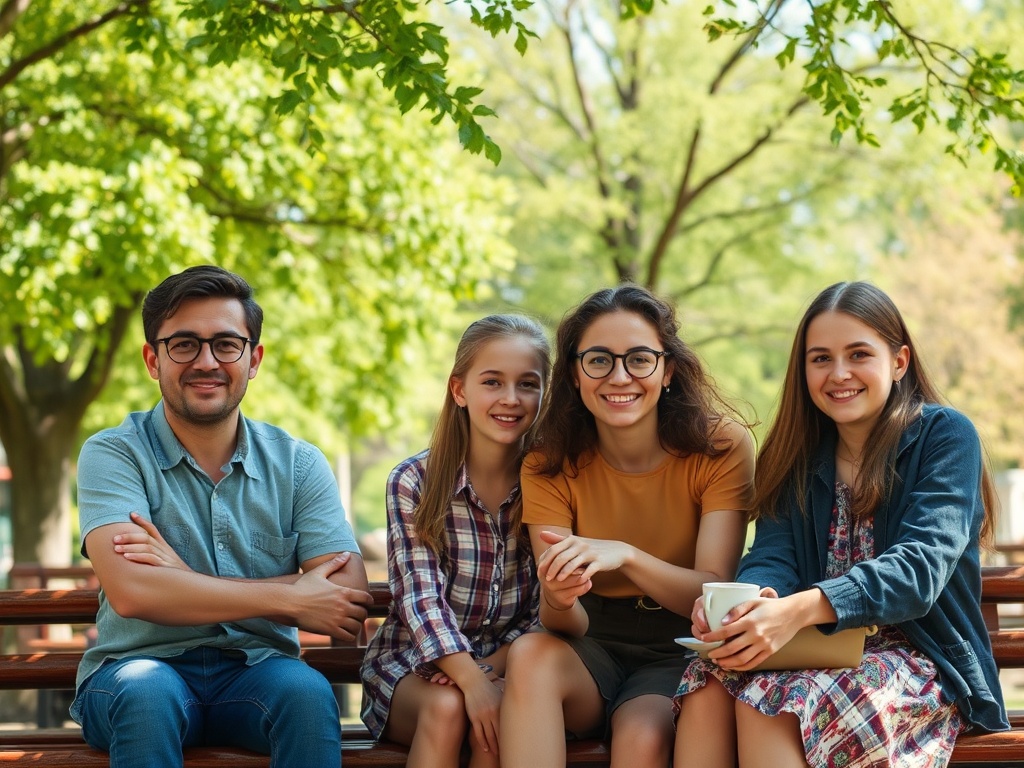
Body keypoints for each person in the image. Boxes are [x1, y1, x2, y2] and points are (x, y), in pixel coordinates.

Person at [673, 281, 1010, 768]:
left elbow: (918, 571)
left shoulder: (944, 436)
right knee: (706, 684)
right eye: (821, 358)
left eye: (858, 354)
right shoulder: (795, 455)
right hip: (812, 651)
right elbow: (771, 557)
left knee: (768, 699)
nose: (839, 373)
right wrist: (746, 609)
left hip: (923, 663)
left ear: (899, 362)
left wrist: (800, 610)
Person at [72, 265, 373, 768]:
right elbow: (132, 592)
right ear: (153, 359)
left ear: (253, 359)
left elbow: (344, 601)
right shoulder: (113, 453)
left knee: (305, 694)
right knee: (147, 696)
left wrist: (182, 579)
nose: (207, 361)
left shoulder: (298, 463)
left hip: (259, 672)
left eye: (226, 344)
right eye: (184, 344)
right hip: (137, 670)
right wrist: (290, 597)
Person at [499, 284, 755, 768]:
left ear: (668, 370)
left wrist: (628, 556)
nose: (619, 376)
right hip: (587, 638)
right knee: (530, 656)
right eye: (598, 360)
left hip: (680, 641)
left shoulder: (721, 447)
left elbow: (712, 590)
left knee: (641, 737)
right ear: (575, 374)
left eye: (640, 359)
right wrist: (558, 594)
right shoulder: (547, 461)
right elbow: (560, 621)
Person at [359, 315, 550, 768]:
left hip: (509, 666)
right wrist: (470, 679)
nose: (510, 399)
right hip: (411, 666)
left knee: (502, 715)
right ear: (460, 390)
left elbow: (549, 606)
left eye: (528, 384)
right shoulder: (415, 481)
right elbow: (419, 598)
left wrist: (494, 673)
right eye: (492, 382)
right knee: (450, 708)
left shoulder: (552, 484)